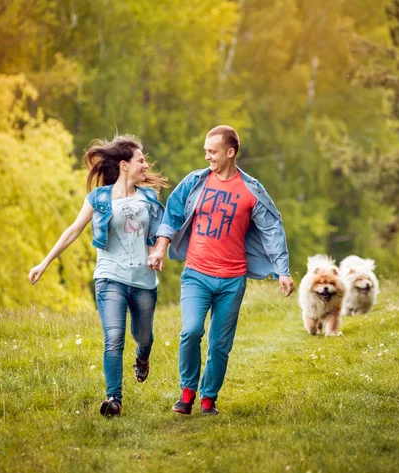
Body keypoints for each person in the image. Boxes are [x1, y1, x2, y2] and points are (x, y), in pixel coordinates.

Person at [147, 125, 294, 415]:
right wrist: (160, 247)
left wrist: (283, 271)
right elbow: (173, 213)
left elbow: (272, 229)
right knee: (190, 331)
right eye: (206, 151)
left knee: (220, 344)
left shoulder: (252, 190)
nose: (207, 157)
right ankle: (187, 391)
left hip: (232, 280)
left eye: (212, 152)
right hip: (197, 275)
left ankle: (208, 398)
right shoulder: (196, 182)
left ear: (230, 152)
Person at [28, 135, 168, 418]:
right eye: (140, 160)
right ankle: (113, 399)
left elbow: (158, 233)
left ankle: (142, 358)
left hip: (143, 280)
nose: (145, 164)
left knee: (144, 337)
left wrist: (156, 253)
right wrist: (44, 262)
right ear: (124, 165)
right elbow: (73, 230)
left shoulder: (149, 198)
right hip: (110, 277)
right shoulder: (99, 198)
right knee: (113, 337)